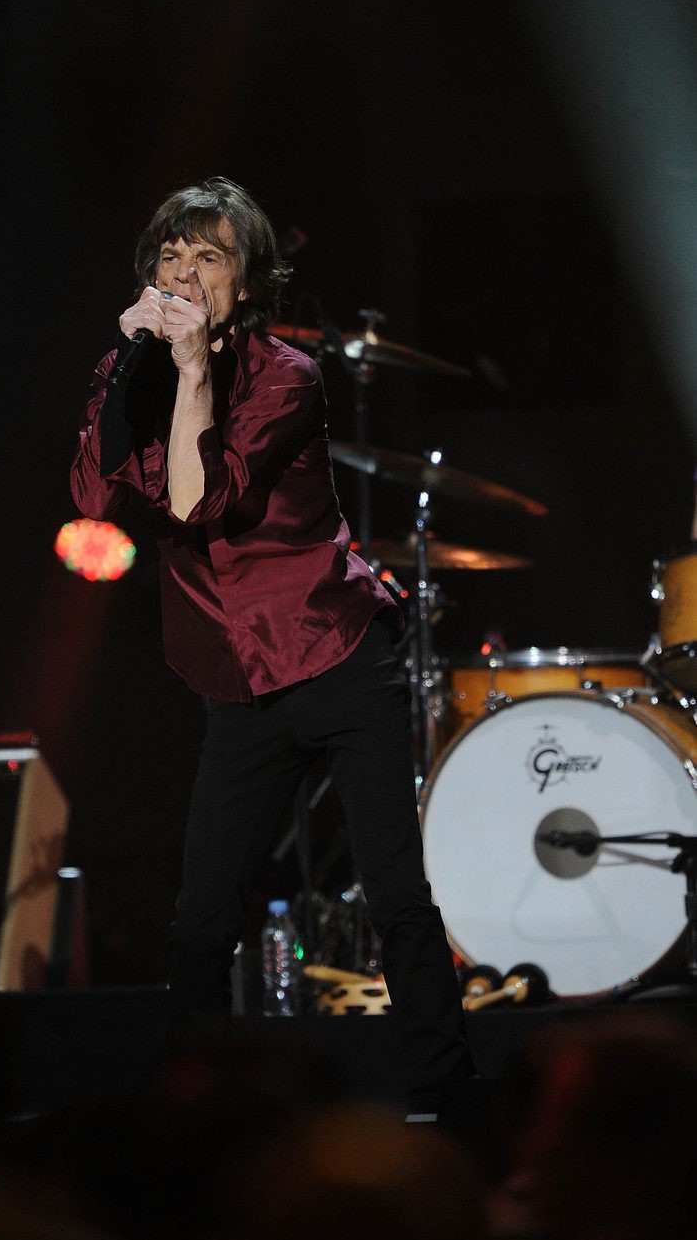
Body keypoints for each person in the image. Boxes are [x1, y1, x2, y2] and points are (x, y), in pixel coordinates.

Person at [70, 177, 473, 1119]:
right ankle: (190, 1108)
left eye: (209, 257)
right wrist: (120, 369)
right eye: (171, 255)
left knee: (396, 893)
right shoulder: (137, 374)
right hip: (234, 677)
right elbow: (94, 501)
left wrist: (196, 379)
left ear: (246, 285)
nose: (184, 271)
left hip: (334, 651)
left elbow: (201, 500)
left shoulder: (285, 373)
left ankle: (447, 1097)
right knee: (202, 916)